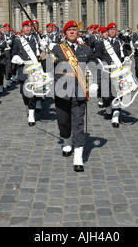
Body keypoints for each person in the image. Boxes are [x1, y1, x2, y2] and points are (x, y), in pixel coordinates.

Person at [50, 21, 98, 172]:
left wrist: (96, 82)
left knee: (78, 123)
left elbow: (95, 65)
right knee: (63, 122)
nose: (72, 32)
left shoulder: (86, 50)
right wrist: (44, 52)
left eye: (74, 30)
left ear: (78, 32)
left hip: (79, 92)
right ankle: (66, 140)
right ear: (64, 33)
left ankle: (78, 156)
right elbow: (46, 67)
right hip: (62, 91)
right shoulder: (58, 49)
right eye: (69, 30)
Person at [95, 22, 131, 128]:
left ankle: (115, 117)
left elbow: (125, 54)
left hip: (117, 72)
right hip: (106, 72)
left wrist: (127, 59)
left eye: (114, 30)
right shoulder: (101, 43)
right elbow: (97, 56)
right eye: (110, 30)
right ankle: (108, 109)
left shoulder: (120, 43)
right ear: (107, 31)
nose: (112, 31)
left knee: (117, 94)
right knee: (106, 95)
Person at [11, 20, 43, 126]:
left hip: (34, 69)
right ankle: (27, 105)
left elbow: (43, 51)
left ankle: (31, 114)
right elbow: (13, 53)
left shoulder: (36, 38)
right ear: (22, 28)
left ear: (32, 28)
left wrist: (44, 45)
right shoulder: (18, 40)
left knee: (32, 92)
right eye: (25, 26)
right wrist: (16, 58)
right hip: (23, 68)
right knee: (23, 92)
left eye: (29, 26)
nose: (27, 28)